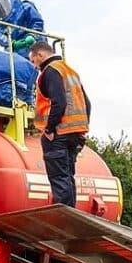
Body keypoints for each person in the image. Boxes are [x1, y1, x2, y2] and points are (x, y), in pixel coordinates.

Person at [28, 41, 91, 207]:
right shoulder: (70, 71)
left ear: (40, 55)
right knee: (68, 177)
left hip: (58, 134)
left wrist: (49, 128)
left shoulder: (50, 71)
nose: (34, 66)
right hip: (75, 133)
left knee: (59, 178)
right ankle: (70, 215)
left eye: (33, 61)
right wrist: (83, 127)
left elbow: (59, 102)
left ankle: (63, 217)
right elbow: (87, 103)